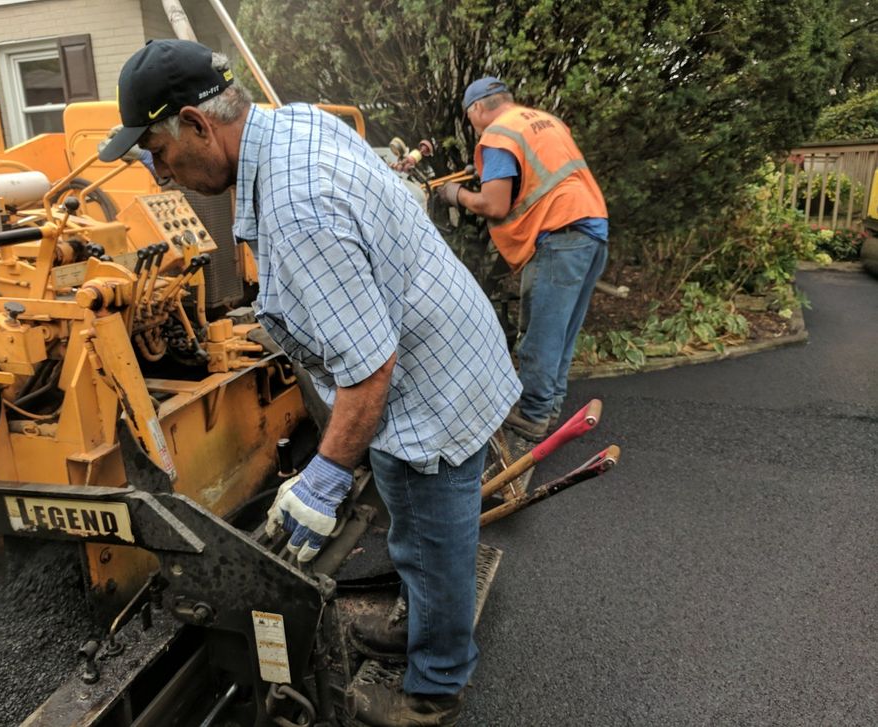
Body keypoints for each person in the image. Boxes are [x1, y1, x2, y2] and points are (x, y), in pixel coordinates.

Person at [100, 40, 521, 726]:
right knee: (412, 524)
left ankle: (434, 686)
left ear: (197, 124)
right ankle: (421, 629)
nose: (157, 172)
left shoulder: (300, 208)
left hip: (430, 380)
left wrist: (323, 478)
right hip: (438, 337)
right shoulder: (292, 124)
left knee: (432, 533)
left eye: (155, 149)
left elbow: (370, 367)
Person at [439, 77, 609, 442]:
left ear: (478, 109)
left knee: (540, 335)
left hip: (560, 236)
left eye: (470, 118)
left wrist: (456, 195)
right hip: (591, 229)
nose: (474, 125)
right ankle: (549, 410)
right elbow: (538, 175)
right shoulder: (540, 121)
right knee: (561, 332)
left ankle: (532, 415)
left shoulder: (498, 135)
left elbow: (495, 205)